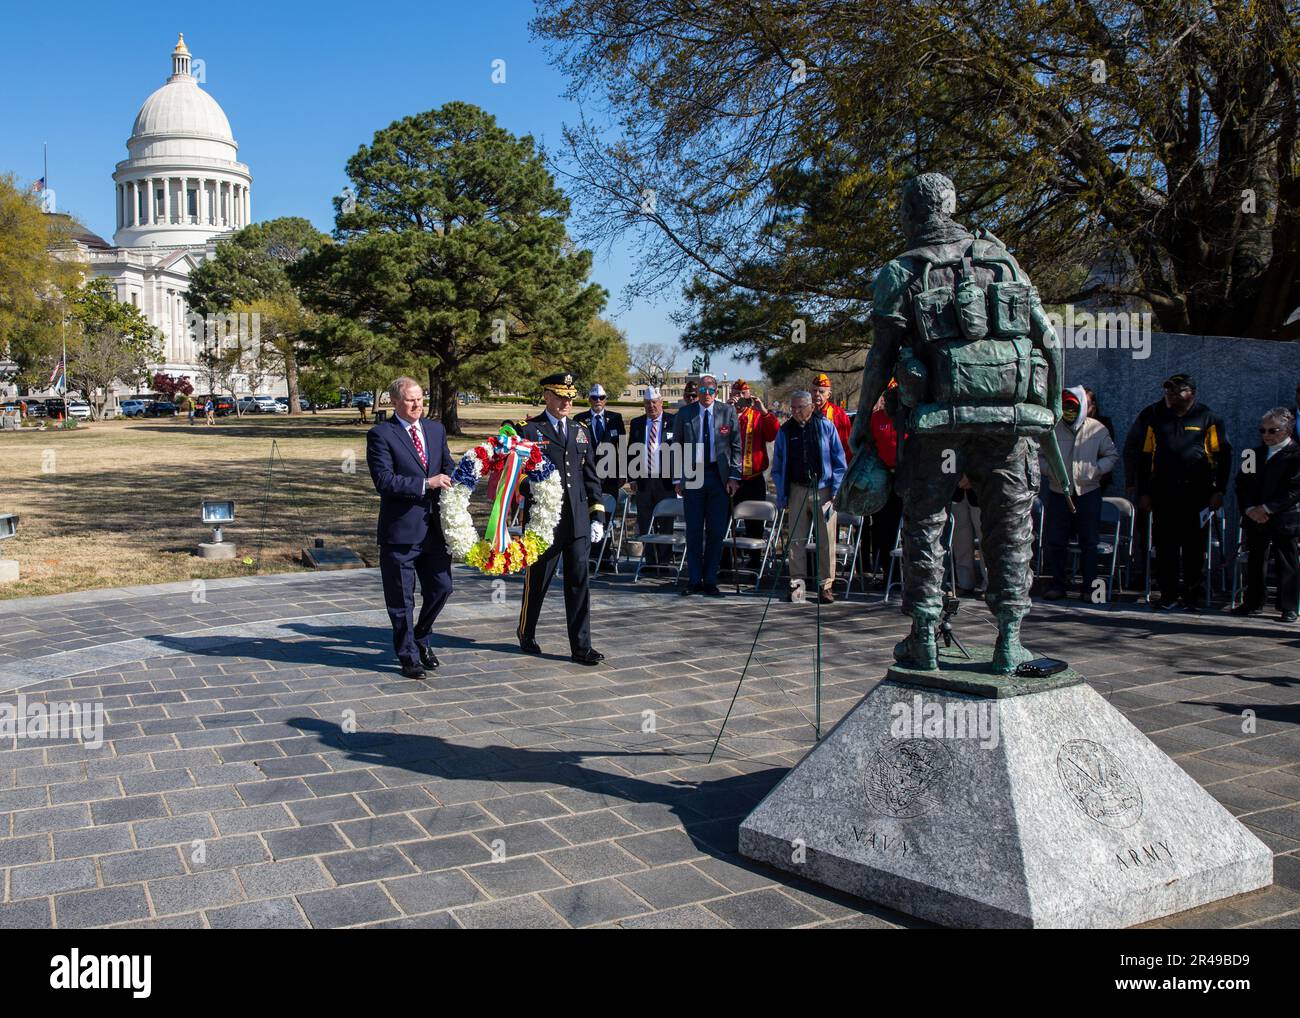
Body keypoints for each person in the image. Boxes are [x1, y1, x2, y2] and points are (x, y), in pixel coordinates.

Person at [848, 171, 1063, 673]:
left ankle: (924, 635)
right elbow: (1048, 341)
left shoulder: (901, 271)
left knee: (925, 522)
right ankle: (1009, 640)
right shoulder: (1000, 259)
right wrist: (1048, 409)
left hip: (934, 422)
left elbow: (881, 356)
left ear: (910, 214)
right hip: (1007, 423)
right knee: (1009, 524)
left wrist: (863, 419)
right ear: (952, 205)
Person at [366, 377, 455, 679]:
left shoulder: (435, 429)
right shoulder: (381, 434)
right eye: (410, 400)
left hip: (435, 529)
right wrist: (425, 484)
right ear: (394, 402)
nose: (418, 405)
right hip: (400, 531)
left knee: (442, 588)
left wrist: (462, 477)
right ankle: (408, 656)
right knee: (402, 599)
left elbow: (447, 465)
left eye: (421, 398)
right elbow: (384, 480)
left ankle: (421, 635)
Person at [517, 372, 606, 665]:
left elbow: (590, 477)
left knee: (579, 581)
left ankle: (582, 647)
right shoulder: (530, 431)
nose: (567, 402)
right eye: (560, 396)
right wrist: (536, 487)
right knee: (538, 580)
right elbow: (517, 478)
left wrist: (597, 515)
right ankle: (526, 631)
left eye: (570, 397)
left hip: (578, 519)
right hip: (545, 520)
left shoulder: (581, 431)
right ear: (547, 396)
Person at [1130, 373, 1232, 611]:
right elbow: (1145, 458)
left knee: (1194, 550)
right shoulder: (1156, 419)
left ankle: (1192, 597)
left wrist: (1219, 490)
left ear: (1192, 393)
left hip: (1197, 497)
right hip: (1164, 495)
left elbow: (1223, 457)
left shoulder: (1209, 418)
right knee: (1165, 548)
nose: (1173, 395)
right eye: (1169, 391)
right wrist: (1144, 492)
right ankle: (1168, 596)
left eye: (1179, 391)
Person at [1042, 387, 1119, 601]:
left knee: (1090, 543)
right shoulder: (1052, 429)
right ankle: (1058, 585)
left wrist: (1095, 470)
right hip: (1059, 493)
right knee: (1056, 542)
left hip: (1088, 493)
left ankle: (1090, 590)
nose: (1068, 410)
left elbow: (1112, 455)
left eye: (1072, 406)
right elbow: (1037, 456)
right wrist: (1051, 470)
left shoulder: (1097, 429)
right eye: (1065, 406)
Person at [772, 390, 847, 603]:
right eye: (792, 408)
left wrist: (835, 491)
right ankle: (797, 586)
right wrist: (782, 491)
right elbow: (777, 465)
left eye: (800, 408)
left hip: (823, 490)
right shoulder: (785, 431)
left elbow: (839, 461)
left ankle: (826, 586)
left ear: (811, 407)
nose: (795, 412)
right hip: (797, 489)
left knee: (826, 540)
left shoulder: (825, 426)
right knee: (796, 540)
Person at [671, 373, 741, 596]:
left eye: (711, 391)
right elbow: (676, 447)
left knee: (716, 530)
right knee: (693, 530)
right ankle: (694, 580)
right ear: (698, 392)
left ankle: (710, 579)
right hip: (693, 476)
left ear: (717, 392)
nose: (707, 394)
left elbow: (737, 446)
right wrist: (677, 478)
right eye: (702, 390)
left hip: (718, 477)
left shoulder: (727, 412)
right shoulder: (685, 413)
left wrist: (734, 476)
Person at [1232, 408, 1299, 621]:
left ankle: (1288, 606)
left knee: (1286, 560)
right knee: (1255, 559)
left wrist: (1268, 508)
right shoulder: (1252, 454)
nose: (1266, 435)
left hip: (1283, 517)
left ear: (1287, 430)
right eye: (1263, 430)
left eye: (1272, 430)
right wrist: (1250, 508)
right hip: (1255, 517)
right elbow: (1242, 484)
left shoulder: (1296, 455)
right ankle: (1253, 601)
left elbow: (1295, 489)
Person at [574, 383, 625, 567]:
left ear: (606, 399)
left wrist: (623, 473)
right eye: (594, 398)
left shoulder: (615, 418)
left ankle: (605, 556)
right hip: (587, 476)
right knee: (589, 514)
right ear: (589, 399)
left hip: (610, 477)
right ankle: (589, 555)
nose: (598, 401)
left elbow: (622, 447)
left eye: (601, 398)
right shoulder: (580, 419)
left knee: (607, 516)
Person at [730, 380, 780, 567]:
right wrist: (728, 409)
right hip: (731, 479)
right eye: (737, 394)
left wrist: (764, 410)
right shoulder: (726, 413)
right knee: (726, 522)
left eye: (744, 394)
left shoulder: (757, 415)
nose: (741, 399)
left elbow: (773, 434)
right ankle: (726, 563)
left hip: (753, 477)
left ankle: (754, 562)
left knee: (755, 524)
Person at [628, 387, 676, 566]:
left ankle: (663, 563)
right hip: (644, 479)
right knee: (645, 520)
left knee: (665, 523)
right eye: (647, 403)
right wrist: (632, 477)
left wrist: (679, 478)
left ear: (661, 402)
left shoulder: (673, 421)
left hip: (666, 481)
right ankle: (649, 561)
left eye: (654, 402)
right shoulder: (637, 423)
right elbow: (631, 450)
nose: (651, 406)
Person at [950, 477, 984, 596]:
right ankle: (965, 584)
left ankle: (990, 586)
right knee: (960, 542)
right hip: (956, 490)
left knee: (985, 540)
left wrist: (971, 478)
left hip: (981, 490)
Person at [812, 372, 854, 464]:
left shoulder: (839, 414)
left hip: (832, 466)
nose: (817, 394)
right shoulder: (805, 411)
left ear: (829, 394)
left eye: (821, 391)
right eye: (814, 391)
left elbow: (846, 445)